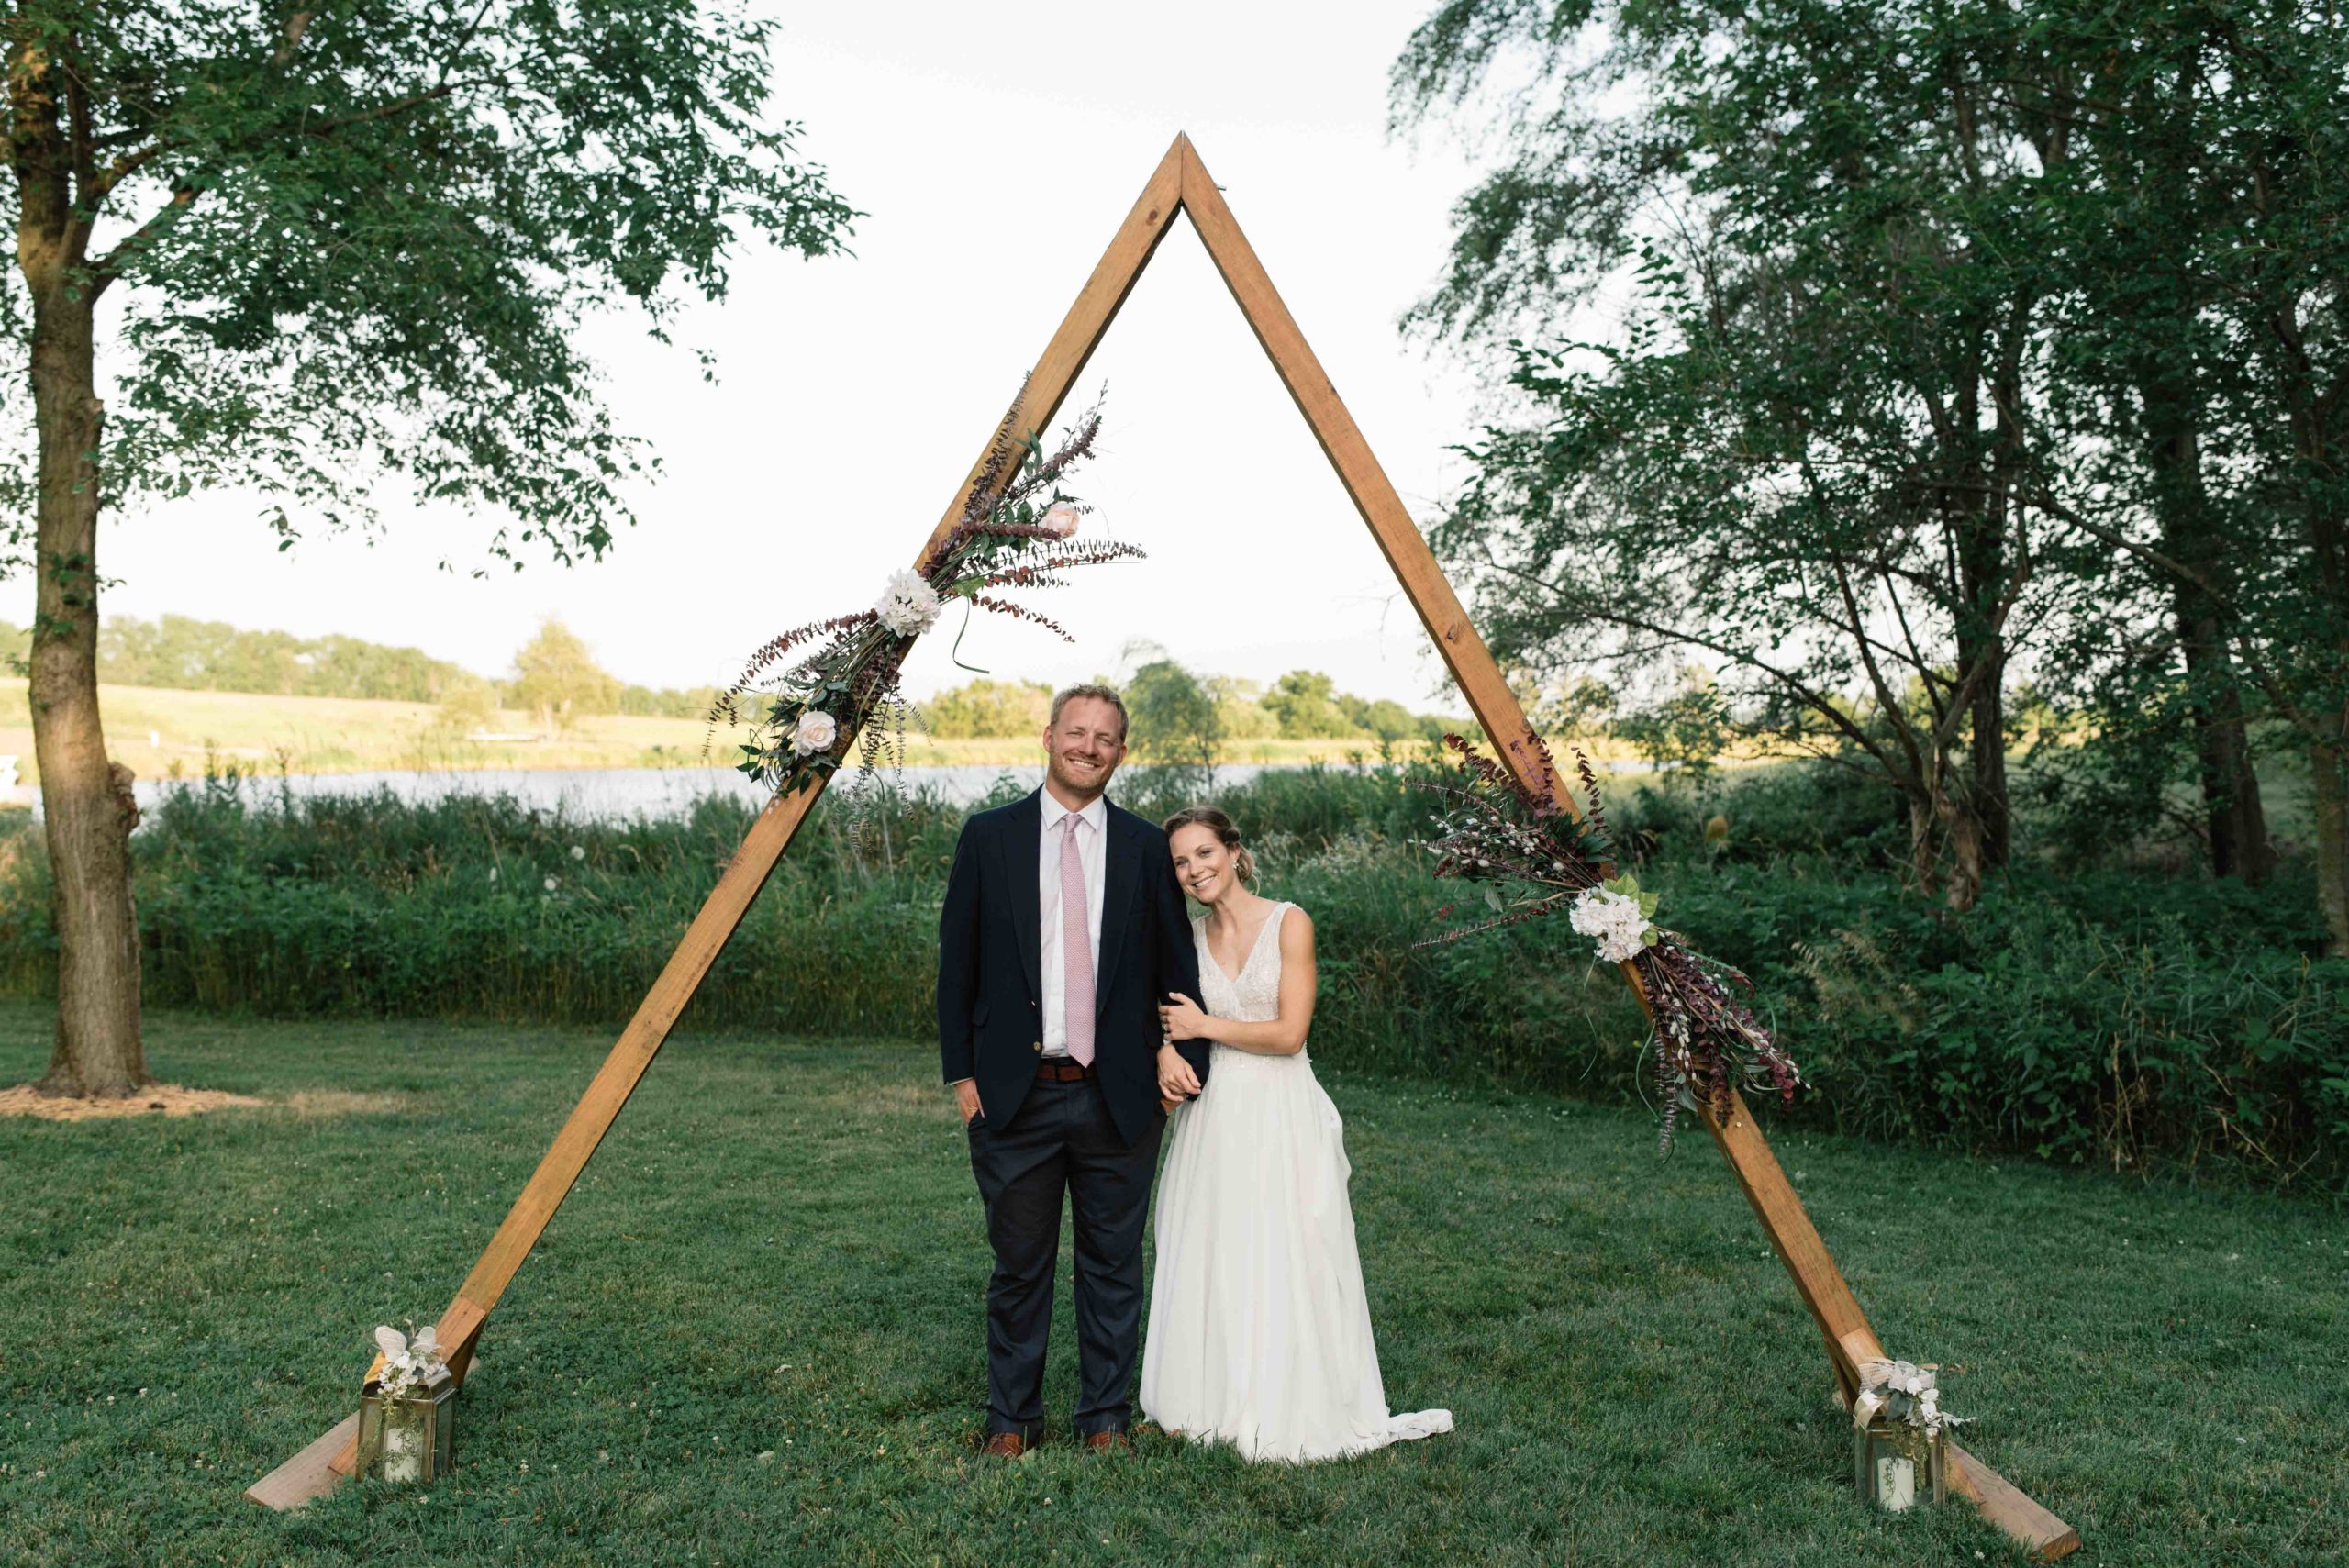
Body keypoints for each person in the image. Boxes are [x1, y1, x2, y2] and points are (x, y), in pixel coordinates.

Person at [936, 684, 1209, 1457]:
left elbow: (1175, 968)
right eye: (1077, 731)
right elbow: (957, 964)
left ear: (1122, 752)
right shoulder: (990, 837)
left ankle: (1105, 1418)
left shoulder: (1146, 846)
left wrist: (1180, 1060)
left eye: (1106, 737)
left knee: (1113, 1266)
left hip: (1117, 1095)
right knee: (1019, 1267)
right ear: (1049, 735)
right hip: (1013, 1097)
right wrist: (964, 1076)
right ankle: (1011, 1419)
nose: (1089, 746)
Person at [1141, 805, 1452, 1461]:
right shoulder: (1186, 939)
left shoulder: (1290, 921)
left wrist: (1205, 1029)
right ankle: (1209, 1400)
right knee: (1212, 1248)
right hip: (1213, 1116)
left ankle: (1290, 1398)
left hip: (1280, 1109)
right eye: (1181, 861)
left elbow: (1289, 1034)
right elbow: (1162, 1023)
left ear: (1233, 851)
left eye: (1204, 852)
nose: (1195, 868)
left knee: (1286, 1248)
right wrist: (1166, 1054)